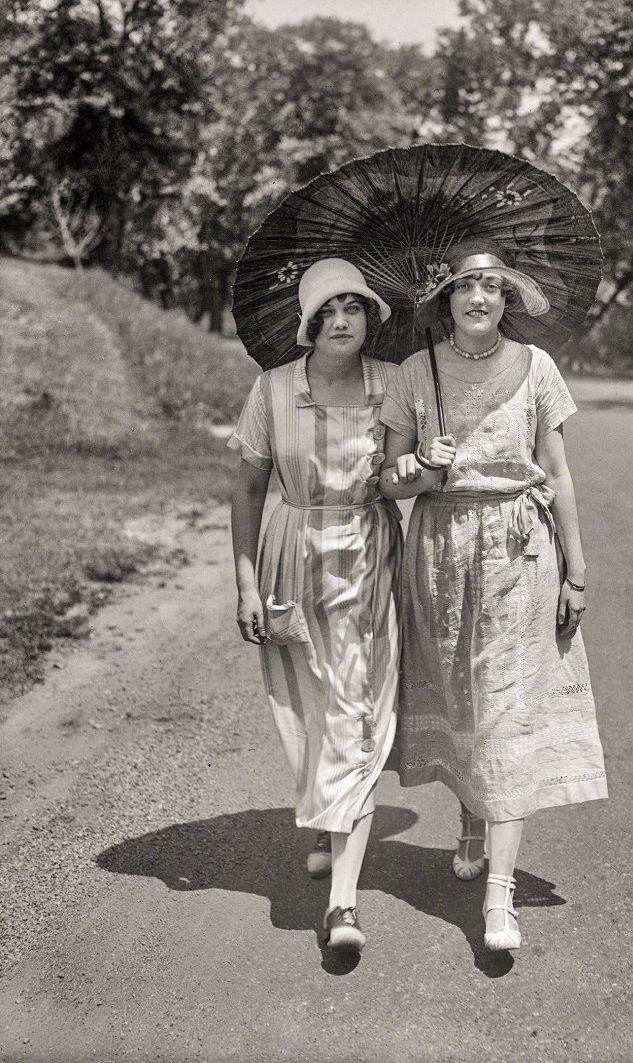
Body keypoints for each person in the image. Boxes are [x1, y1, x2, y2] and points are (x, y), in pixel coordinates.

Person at [379, 238, 607, 952]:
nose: (479, 298)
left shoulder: (538, 367)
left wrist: (576, 568)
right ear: (445, 300)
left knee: (506, 711)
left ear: (508, 298)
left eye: (493, 287)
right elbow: (385, 480)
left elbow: (558, 473)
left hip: (521, 550)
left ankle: (498, 895)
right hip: (442, 549)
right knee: (461, 698)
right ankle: (472, 819)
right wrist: (420, 463)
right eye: (465, 287)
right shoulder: (416, 372)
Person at [229, 258, 401, 953]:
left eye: (354, 308)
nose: (341, 321)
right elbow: (245, 489)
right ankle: (334, 829)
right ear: (307, 322)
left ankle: (342, 904)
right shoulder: (273, 389)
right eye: (328, 310)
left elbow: (401, 476)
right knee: (308, 709)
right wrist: (244, 584)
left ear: (370, 317)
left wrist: (418, 466)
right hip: (291, 558)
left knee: (354, 716)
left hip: (368, 558)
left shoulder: (393, 383)